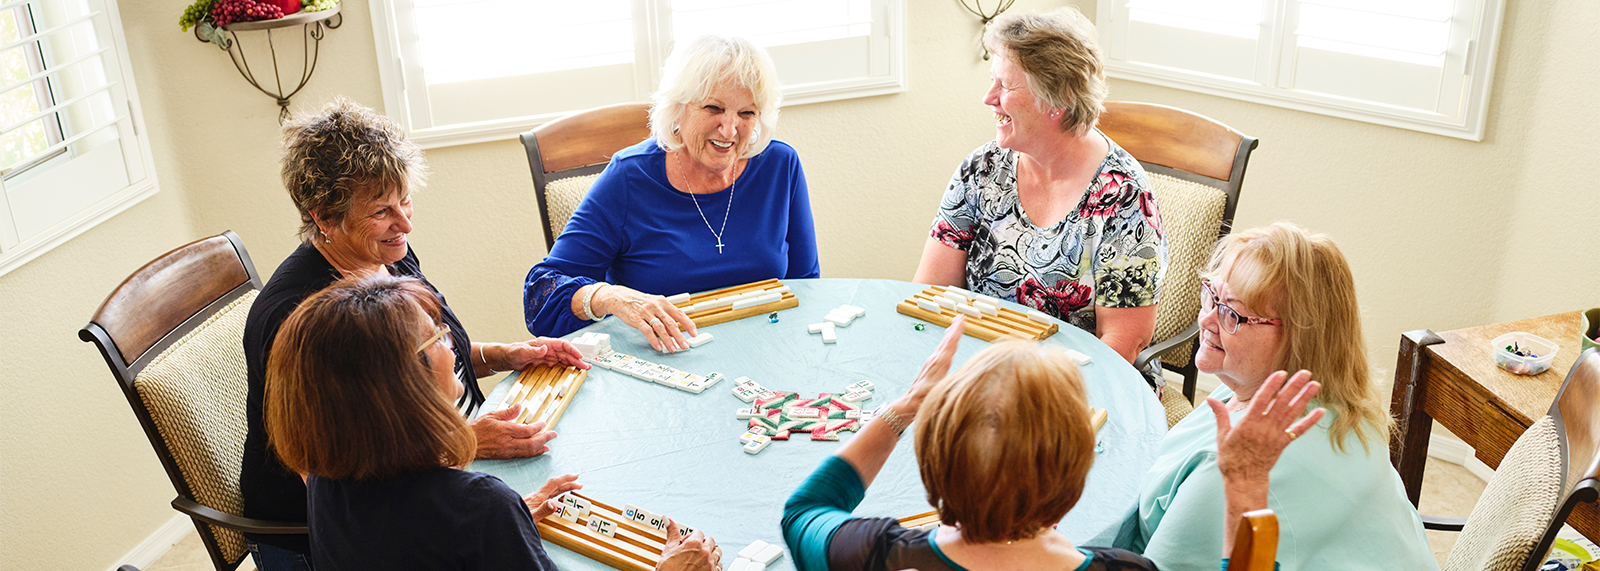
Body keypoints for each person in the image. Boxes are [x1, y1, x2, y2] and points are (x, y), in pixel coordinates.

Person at [239, 98, 588, 569]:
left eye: (404, 201)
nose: (405, 224)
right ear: (323, 217)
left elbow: (413, 360)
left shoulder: (386, 255)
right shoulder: (303, 318)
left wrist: (504, 354)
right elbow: (332, 478)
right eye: (382, 211)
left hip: (442, 475)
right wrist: (462, 444)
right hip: (340, 536)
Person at [782, 315, 1327, 571]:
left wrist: (905, 408)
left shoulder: (870, 552)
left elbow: (804, 510)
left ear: (932, 464)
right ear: (1075, 478)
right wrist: (1246, 482)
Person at [265, 275, 721, 571]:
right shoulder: (479, 507)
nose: (452, 347)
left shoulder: (326, 477)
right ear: (403, 386)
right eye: (439, 338)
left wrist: (504, 526)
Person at [1114, 223, 1438, 570]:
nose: (1207, 319)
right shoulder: (1348, 409)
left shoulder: (1232, 474)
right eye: (1212, 294)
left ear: (1300, 337)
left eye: (1232, 313)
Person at [911, 9, 1167, 386]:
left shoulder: (1124, 195)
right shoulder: (980, 169)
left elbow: (1124, 342)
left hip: (1081, 389)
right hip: (980, 375)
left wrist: (1031, 401)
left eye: (1006, 86)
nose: (989, 98)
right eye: (992, 81)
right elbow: (930, 293)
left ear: (1057, 99)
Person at [524, 35, 820, 352]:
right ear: (678, 109)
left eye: (747, 113)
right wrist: (611, 296)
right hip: (662, 362)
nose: (730, 129)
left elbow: (806, 283)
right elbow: (540, 298)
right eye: (713, 108)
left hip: (763, 354)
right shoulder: (628, 177)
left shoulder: (779, 164)